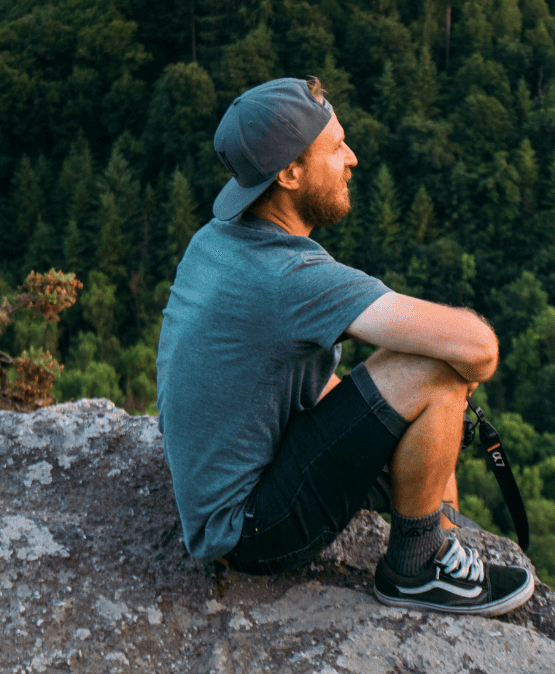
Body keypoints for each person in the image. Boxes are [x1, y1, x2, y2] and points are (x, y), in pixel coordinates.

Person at [155, 76, 535, 616]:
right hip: (249, 530)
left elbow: (285, 380)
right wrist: (439, 384)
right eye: (335, 147)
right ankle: (417, 565)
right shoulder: (290, 278)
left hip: (231, 484)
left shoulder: (215, 242)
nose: (352, 158)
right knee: (437, 371)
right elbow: (479, 351)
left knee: (420, 385)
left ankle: (435, 526)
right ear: (289, 173)